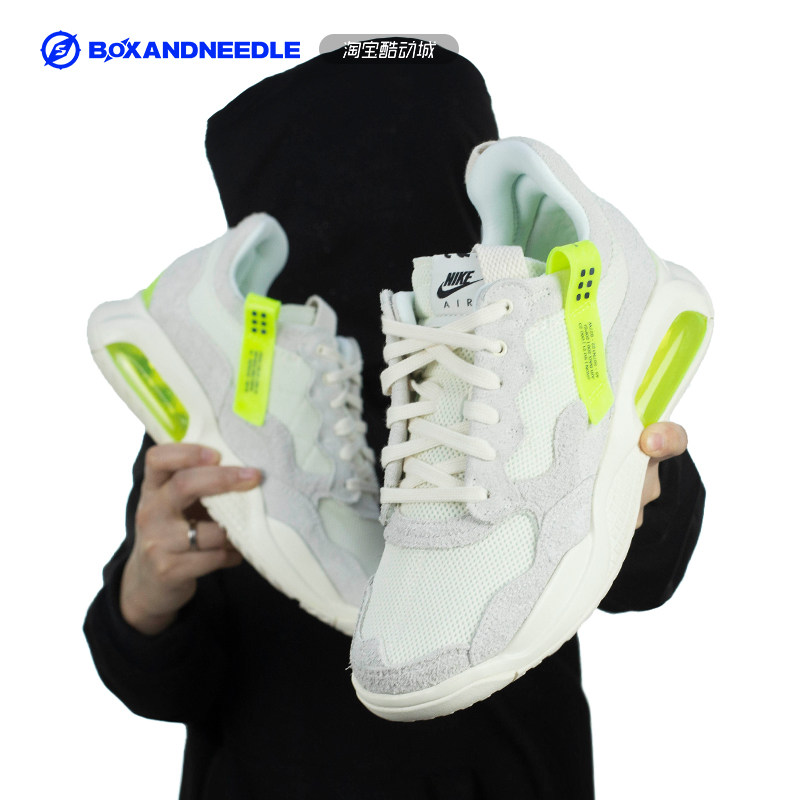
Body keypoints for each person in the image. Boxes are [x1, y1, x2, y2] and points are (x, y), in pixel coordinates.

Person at [84, 46, 705, 799]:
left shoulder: (536, 349)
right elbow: (163, 686)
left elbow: (645, 577)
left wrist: (643, 492)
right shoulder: (221, 401)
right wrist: (144, 596)